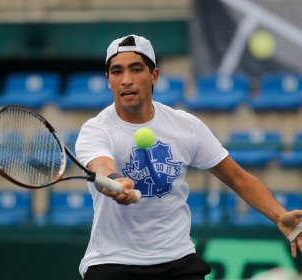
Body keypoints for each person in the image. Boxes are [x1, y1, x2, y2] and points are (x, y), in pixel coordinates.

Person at [75, 34, 302, 280]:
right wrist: (116, 181)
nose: (126, 80)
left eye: (136, 69)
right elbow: (101, 166)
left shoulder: (185, 125)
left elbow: (238, 178)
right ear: (108, 80)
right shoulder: (95, 129)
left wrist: (280, 215)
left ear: (154, 76)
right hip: (113, 262)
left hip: (177, 261)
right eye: (117, 72)